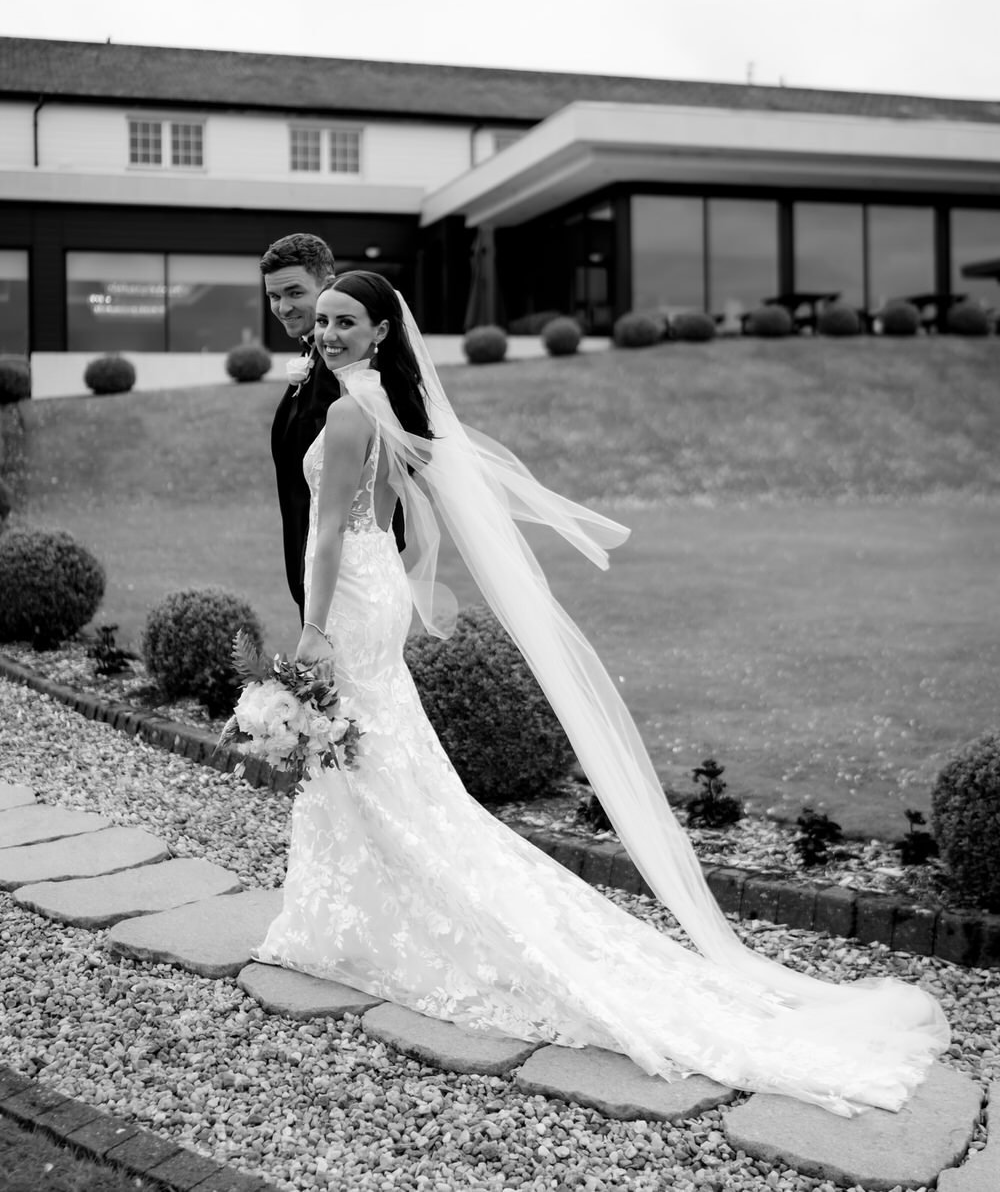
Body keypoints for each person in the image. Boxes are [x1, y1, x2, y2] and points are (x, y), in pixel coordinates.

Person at [255, 271, 949, 1117]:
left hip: (350, 600)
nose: (325, 332)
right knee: (376, 753)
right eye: (320, 320)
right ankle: (346, 917)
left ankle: (359, 922)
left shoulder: (348, 410)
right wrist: (381, 593)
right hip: (378, 591)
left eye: (343, 321)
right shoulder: (385, 404)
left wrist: (314, 628)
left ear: (379, 333)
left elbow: (328, 530)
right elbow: (391, 517)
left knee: (364, 752)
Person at [261, 233, 340, 620]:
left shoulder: (343, 371)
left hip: (339, 574)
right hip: (309, 566)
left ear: (327, 284)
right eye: (274, 296)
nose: (282, 307)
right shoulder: (314, 358)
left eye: (294, 293)